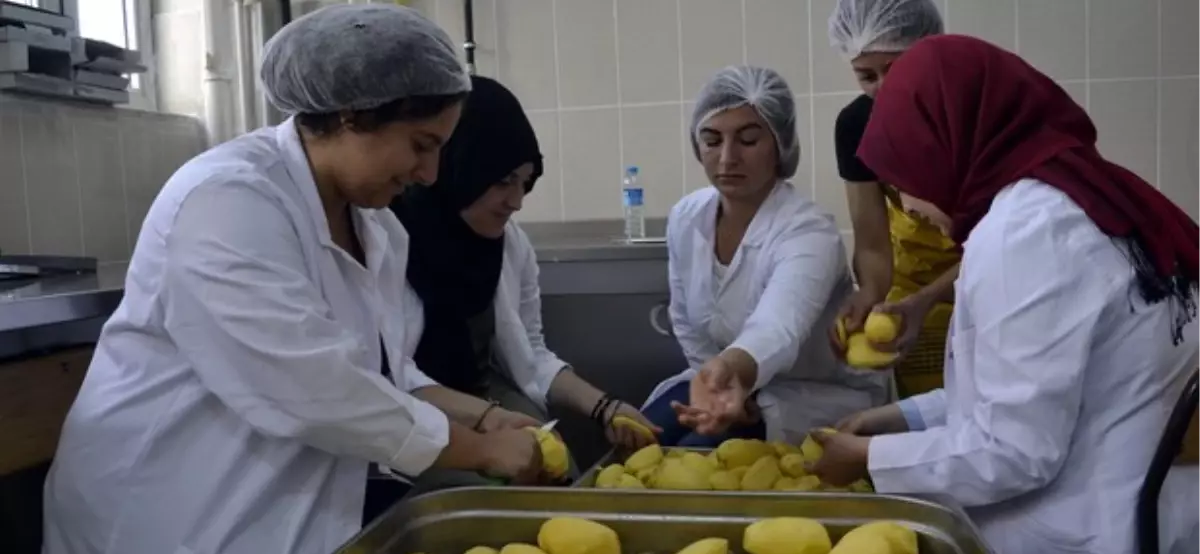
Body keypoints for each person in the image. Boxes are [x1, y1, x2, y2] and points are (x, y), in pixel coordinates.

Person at [21, 7, 545, 554]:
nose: (431, 174)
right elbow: (313, 388)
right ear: (353, 113)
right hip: (173, 508)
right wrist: (480, 449)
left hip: (272, 511)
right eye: (420, 144)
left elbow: (380, 369)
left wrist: (484, 413)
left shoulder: (377, 226)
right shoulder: (227, 201)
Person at [809, 35, 1200, 554]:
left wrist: (868, 458)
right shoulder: (1078, 195)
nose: (906, 204)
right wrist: (897, 421)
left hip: (1083, 547)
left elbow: (1016, 449)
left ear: (952, 140)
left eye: (905, 175)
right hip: (1134, 499)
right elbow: (1030, 385)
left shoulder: (1025, 234)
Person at [391, 75, 659, 487]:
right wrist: (487, 422)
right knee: (489, 492)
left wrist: (605, 407)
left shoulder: (509, 244)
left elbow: (531, 351)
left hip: (484, 390)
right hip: (407, 411)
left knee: (558, 472)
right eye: (503, 181)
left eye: (525, 182)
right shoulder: (389, 242)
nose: (516, 201)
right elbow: (389, 375)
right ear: (461, 167)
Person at [642, 65, 887, 448]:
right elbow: (686, 324)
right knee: (645, 437)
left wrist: (735, 375)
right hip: (733, 384)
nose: (727, 158)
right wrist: (713, 383)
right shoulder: (687, 218)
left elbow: (778, 327)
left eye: (748, 140)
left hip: (813, 396)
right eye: (711, 140)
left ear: (780, 145)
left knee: (697, 453)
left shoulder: (809, 231)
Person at [827, 0, 956, 396]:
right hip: (911, 282)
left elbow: (998, 248)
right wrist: (869, 292)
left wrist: (929, 299)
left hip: (987, 279)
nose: (884, 88)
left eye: (896, 70)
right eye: (866, 76)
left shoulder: (966, 115)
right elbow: (871, 242)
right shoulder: (856, 126)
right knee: (925, 417)